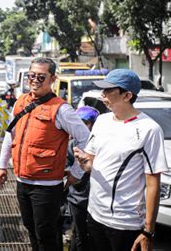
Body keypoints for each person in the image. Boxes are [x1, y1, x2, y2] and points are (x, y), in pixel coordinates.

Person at [0, 57, 90, 251]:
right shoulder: (21, 101)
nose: (35, 80)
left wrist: (76, 172)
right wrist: (1, 164)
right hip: (22, 181)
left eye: (41, 76)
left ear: (53, 78)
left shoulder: (61, 109)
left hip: (47, 186)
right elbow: (9, 134)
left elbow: (86, 139)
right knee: (30, 228)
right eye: (32, 76)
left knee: (46, 235)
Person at [74, 69, 168, 251]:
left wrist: (148, 231)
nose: (103, 95)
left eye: (108, 91)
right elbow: (92, 163)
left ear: (127, 95)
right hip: (94, 215)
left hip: (125, 224)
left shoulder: (149, 130)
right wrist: (85, 163)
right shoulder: (101, 121)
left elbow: (153, 183)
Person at [67, 106, 99, 251]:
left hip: (97, 199)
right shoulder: (72, 144)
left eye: (85, 123)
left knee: (93, 236)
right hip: (77, 198)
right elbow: (65, 169)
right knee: (79, 233)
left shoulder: (100, 144)